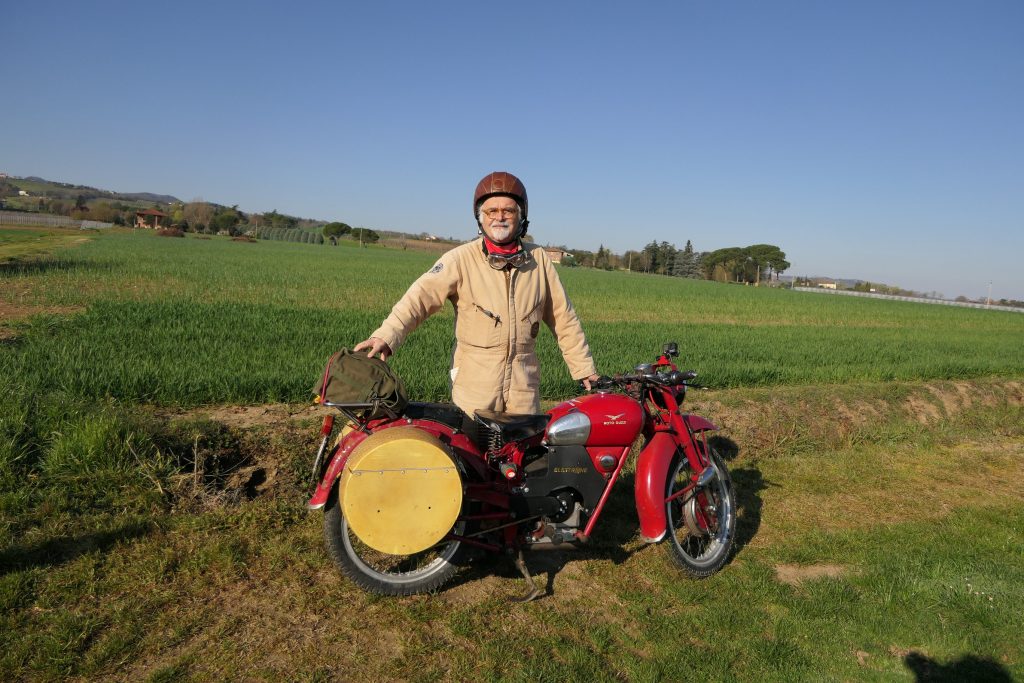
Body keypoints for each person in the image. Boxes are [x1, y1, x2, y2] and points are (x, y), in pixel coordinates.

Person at [354, 171, 598, 417]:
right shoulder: (460, 258)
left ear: (522, 217)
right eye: (491, 211)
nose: (499, 217)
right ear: (479, 218)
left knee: (522, 450)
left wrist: (584, 369)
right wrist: (386, 336)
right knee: (471, 452)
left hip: (523, 386)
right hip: (474, 385)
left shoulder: (539, 260)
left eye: (509, 211)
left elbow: (563, 318)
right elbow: (419, 298)